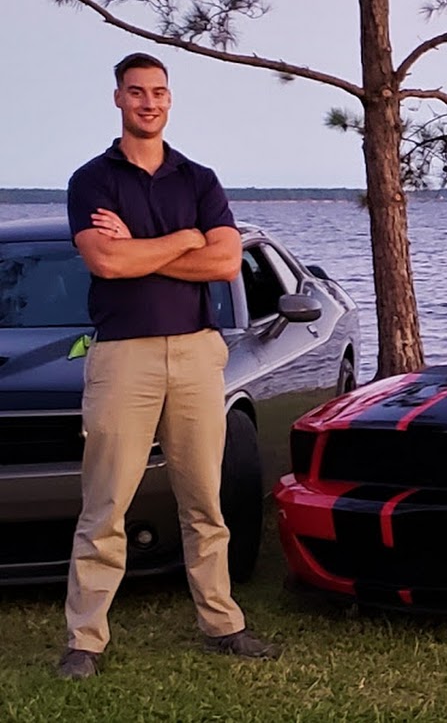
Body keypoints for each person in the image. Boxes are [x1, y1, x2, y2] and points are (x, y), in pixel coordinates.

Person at [59, 52, 280, 680]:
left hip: (194, 351)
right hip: (123, 355)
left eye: (158, 92)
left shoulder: (199, 180)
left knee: (203, 502)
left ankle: (222, 623)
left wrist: (148, 246)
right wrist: (185, 238)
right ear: (118, 100)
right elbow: (107, 265)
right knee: (105, 505)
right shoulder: (92, 181)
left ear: (170, 99)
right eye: (136, 93)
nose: (148, 102)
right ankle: (85, 640)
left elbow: (224, 263)